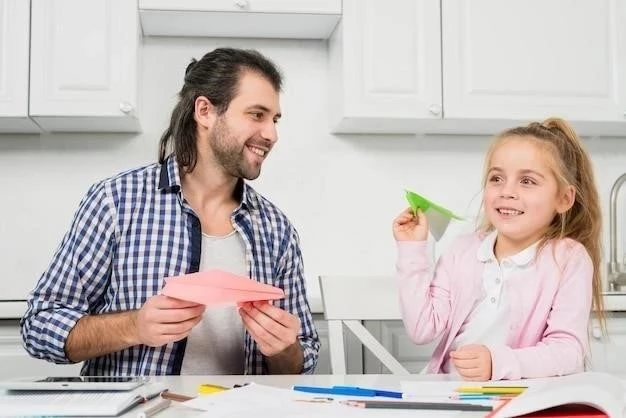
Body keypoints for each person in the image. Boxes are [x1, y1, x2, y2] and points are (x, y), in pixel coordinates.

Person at [21, 47, 319, 376]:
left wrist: (284, 350)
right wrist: (134, 326)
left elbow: (301, 359)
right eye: (257, 114)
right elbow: (40, 325)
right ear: (205, 111)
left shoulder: (277, 230)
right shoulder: (116, 201)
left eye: (275, 120)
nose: (272, 134)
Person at [392, 117, 603, 381]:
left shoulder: (568, 259)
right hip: (448, 393)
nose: (507, 191)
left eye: (527, 181)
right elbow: (422, 328)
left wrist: (498, 362)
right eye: (496, 178)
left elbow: (568, 351)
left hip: (520, 398)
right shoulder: (463, 250)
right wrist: (412, 249)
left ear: (563, 198)